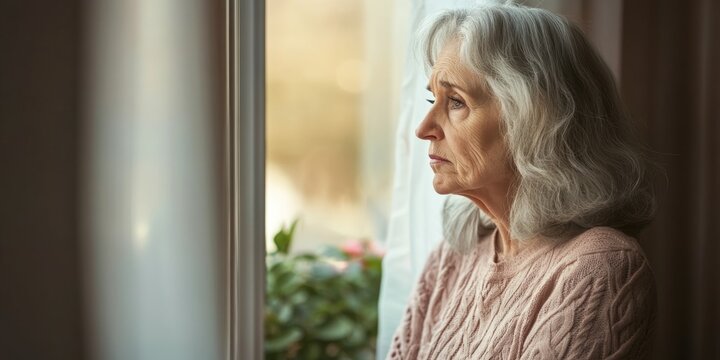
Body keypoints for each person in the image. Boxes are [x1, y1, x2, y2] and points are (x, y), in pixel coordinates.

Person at [387, 3, 658, 359]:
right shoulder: (452, 257)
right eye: (430, 98)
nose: (423, 129)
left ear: (534, 120)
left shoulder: (599, 267)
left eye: (455, 101)